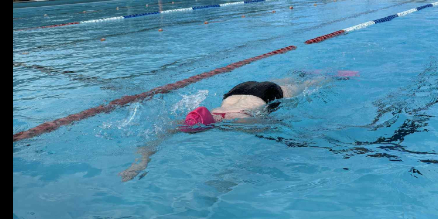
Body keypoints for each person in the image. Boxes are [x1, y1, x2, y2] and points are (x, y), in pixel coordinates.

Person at [119, 75, 343, 181]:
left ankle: (328, 78)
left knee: (301, 88)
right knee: (290, 81)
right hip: (238, 90)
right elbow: (157, 137)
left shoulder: (243, 123)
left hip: (265, 94)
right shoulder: (213, 116)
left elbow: (279, 127)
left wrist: (141, 163)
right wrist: (140, 163)